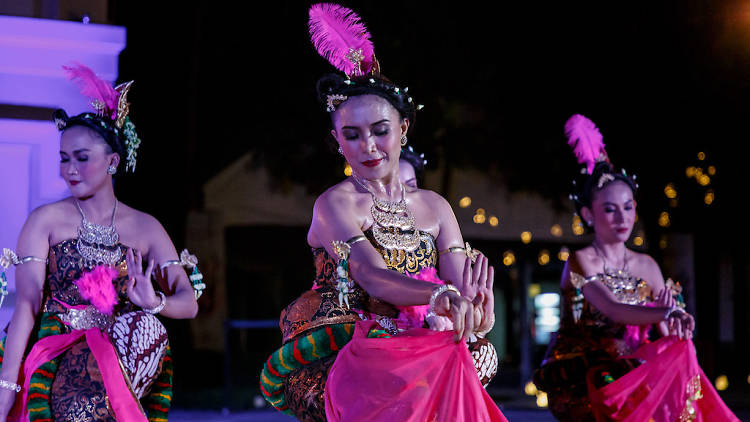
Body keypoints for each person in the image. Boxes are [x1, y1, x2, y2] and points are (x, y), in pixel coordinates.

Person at [260, 4, 504, 422]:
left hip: (422, 343)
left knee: (478, 356)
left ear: (403, 129)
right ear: (337, 141)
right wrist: (437, 295)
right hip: (347, 354)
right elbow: (369, 274)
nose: (368, 147)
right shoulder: (334, 204)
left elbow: (461, 284)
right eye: (352, 135)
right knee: (394, 376)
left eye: (380, 131)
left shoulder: (435, 208)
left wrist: (478, 311)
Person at [0, 64, 199, 422]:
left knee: (148, 329)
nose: (69, 170)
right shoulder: (46, 221)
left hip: (122, 351)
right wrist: (7, 386)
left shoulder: (146, 227)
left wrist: (154, 302)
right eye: (64, 159)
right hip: (58, 350)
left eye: (81, 158)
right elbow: (27, 306)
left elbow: (189, 303)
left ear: (112, 161)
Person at [533, 114, 739, 421]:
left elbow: (666, 332)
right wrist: (665, 312)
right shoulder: (581, 260)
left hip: (633, 375)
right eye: (610, 209)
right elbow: (614, 309)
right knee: (607, 382)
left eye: (628, 207)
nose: (622, 218)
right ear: (589, 214)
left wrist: (678, 325)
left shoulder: (647, 265)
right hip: (583, 378)